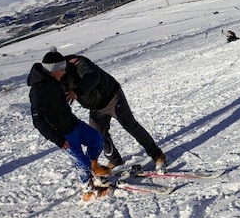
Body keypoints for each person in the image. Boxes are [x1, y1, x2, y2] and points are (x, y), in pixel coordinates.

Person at [49, 47, 167, 172]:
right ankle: (115, 161)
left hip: (112, 97)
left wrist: (77, 92)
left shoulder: (77, 63)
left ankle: (157, 155)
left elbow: (94, 77)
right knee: (99, 134)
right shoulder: (55, 77)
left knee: (130, 125)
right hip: (96, 106)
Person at [27, 51, 111, 201]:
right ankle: (88, 191)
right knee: (81, 163)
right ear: (52, 70)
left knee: (96, 140)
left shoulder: (55, 81)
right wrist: (57, 139)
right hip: (63, 135)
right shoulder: (38, 91)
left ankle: (95, 167)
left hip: (74, 124)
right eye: (61, 70)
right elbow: (38, 121)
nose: (64, 72)